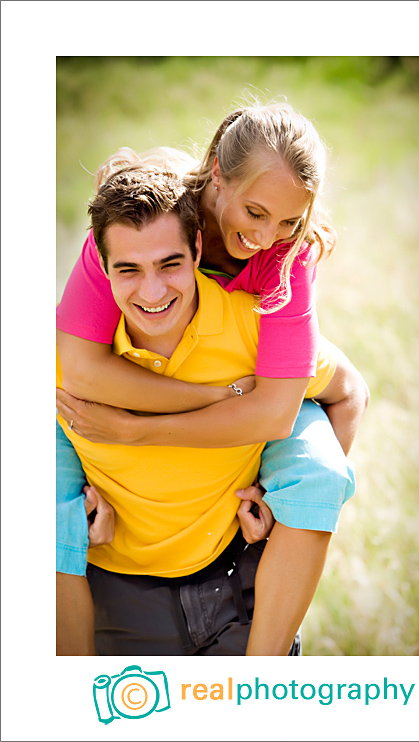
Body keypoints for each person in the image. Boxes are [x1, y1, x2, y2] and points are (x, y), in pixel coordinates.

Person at [56, 102, 370, 655]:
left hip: (260, 371)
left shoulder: (286, 257)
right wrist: (207, 396)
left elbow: (274, 409)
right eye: (255, 212)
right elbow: (81, 368)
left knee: (327, 447)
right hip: (224, 379)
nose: (268, 236)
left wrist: (139, 431)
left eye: (289, 221)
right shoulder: (150, 224)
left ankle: (261, 675)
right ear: (218, 180)